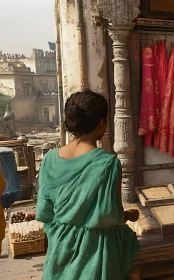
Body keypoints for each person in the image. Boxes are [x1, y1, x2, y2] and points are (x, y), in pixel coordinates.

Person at [36, 90, 140, 280]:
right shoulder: (108, 164)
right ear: (101, 122)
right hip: (95, 258)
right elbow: (110, 216)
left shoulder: (49, 159)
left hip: (59, 253)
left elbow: (44, 211)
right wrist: (129, 215)